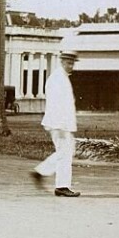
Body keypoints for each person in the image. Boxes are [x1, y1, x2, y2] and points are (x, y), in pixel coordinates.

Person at [32, 50, 80, 197]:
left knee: (66, 151)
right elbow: (55, 104)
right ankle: (61, 185)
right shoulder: (57, 78)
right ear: (62, 62)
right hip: (59, 123)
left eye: (72, 63)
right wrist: (59, 126)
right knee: (65, 153)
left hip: (62, 123)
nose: (70, 66)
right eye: (68, 63)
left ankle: (42, 172)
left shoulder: (62, 77)